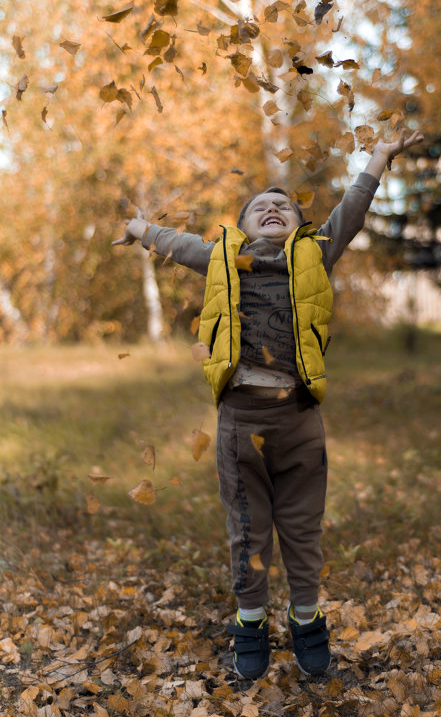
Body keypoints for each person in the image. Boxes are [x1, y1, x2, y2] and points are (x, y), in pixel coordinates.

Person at [113, 129, 424, 679]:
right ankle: (250, 622)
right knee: (249, 531)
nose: (274, 208)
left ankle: (307, 619)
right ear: (244, 224)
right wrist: (140, 229)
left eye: (282, 204)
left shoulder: (314, 254)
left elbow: (350, 211)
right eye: (261, 206)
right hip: (240, 421)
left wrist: (379, 155)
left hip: (300, 420)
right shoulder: (222, 261)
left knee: (302, 528)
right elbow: (177, 243)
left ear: (296, 223)